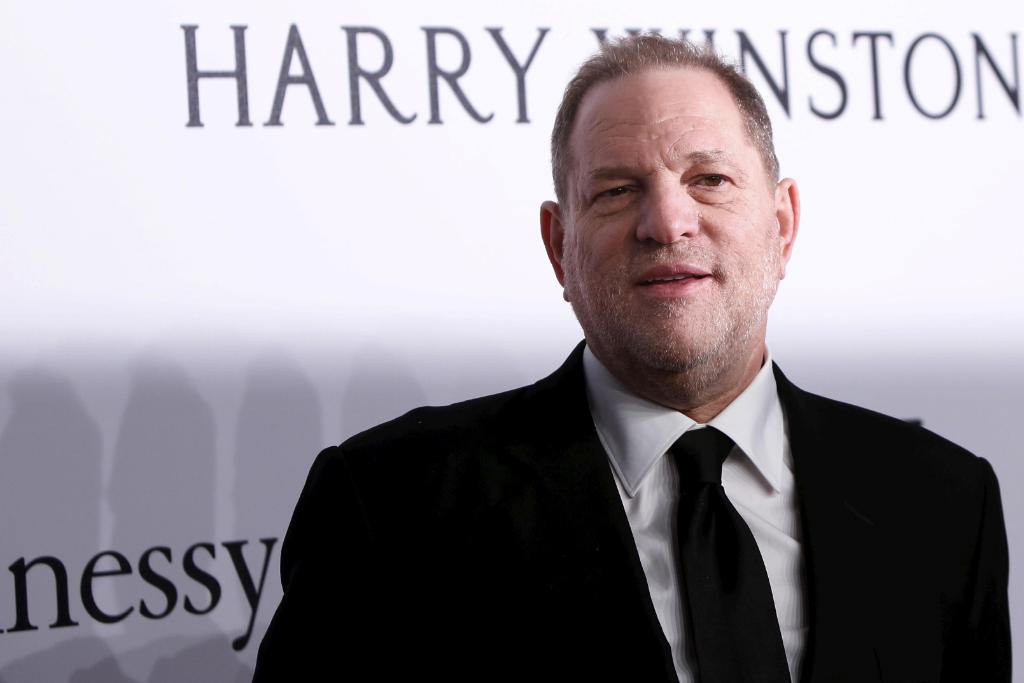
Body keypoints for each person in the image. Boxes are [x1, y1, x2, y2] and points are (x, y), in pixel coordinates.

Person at [252, 35, 1010, 682]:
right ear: (559, 247)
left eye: (709, 180)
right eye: (617, 190)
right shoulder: (390, 506)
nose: (668, 221)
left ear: (783, 225)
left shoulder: (944, 501)